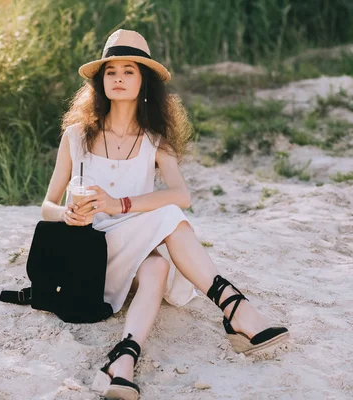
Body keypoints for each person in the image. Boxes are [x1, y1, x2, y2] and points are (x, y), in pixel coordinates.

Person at [40, 29, 289, 400]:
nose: (119, 77)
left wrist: (119, 204)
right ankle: (233, 307)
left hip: (134, 247)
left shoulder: (155, 140)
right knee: (168, 213)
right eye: (111, 71)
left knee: (157, 265)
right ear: (100, 81)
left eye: (129, 70)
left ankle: (121, 361)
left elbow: (182, 193)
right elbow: (47, 207)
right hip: (86, 252)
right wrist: (68, 215)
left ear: (144, 82)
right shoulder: (77, 135)